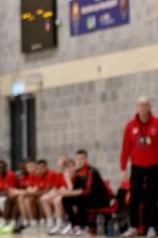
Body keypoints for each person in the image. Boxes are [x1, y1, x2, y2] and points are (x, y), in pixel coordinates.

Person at [120, 96, 158, 237]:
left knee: (152, 197)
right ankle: (133, 227)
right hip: (137, 167)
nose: (143, 107)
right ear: (137, 108)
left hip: (154, 166)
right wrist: (123, 168)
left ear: (150, 107)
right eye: (141, 105)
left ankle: (151, 227)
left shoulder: (156, 124)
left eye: (146, 105)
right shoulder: (130, 126)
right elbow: (125, 148)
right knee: (134, 197)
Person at [60, 149, 111, 236]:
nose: (79, 161)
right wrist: (67, 179)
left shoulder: (91, 171)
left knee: (80, 199)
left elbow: (86, 191)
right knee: (65, 200)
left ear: (86, 159)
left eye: (82, 158)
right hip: (88, 198)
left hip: (100, 199)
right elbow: (74, 189)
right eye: (78, 159)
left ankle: (84, 226)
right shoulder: (78, 171)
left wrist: (67, 193)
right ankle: (75, 225)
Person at [45, 156, 75, 235]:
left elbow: (71, 189)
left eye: (72, 166)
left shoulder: (75, 175)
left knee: (58, 200)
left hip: (75, 197)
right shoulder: (63, 175)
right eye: (68, 167)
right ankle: (57, 223)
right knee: (51, 199)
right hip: (66, 195)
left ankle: (61, 223)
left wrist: (67, 179)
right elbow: (57, 188)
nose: (71, 169)